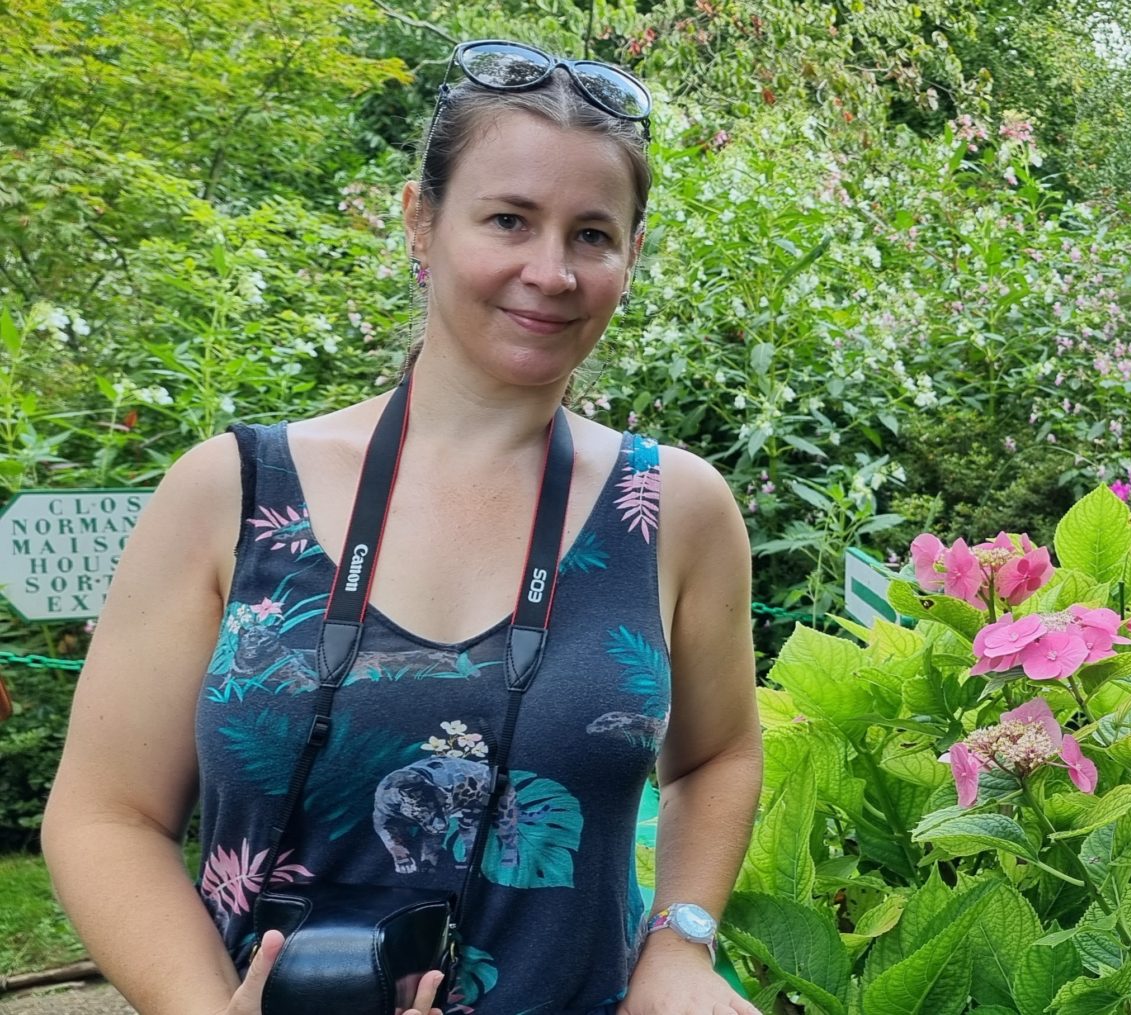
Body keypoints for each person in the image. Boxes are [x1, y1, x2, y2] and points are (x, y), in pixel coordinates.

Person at [42, 39, 762, 1015]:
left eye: (592, 234)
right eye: (509, 219)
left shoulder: (675, 510)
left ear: (630, 255)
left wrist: (681, 943)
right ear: (422, 222)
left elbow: (718, 756)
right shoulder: (234, 493)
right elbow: (105, 813)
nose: (550, 270)